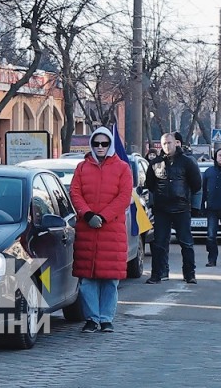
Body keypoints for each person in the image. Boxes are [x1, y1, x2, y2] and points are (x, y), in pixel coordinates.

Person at [69, 126, 133, 332]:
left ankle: (106, 318)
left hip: (111, 231)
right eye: (96, 143)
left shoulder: (123, 168)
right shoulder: (81, 167)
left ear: (110, 145)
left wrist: (103, 217)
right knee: (87, 280)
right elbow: (75, 193)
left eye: (104, 143)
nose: (100, 147)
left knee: (109, 280)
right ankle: (91, 318)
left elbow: (124, 197)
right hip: (87, 230)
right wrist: (87, 214)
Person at [146, 131, 201, 284]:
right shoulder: (155, 163)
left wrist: (187, 199)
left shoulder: (187, 162)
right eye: (164, 144)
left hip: (181, 208)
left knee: (186, 243)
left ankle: (190, 274)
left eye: (169, 143)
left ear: (176, 143)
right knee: (159, 244)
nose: (167, 146)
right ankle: (157, 274)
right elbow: (150, 184)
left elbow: (196, 184)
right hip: (162, 209)